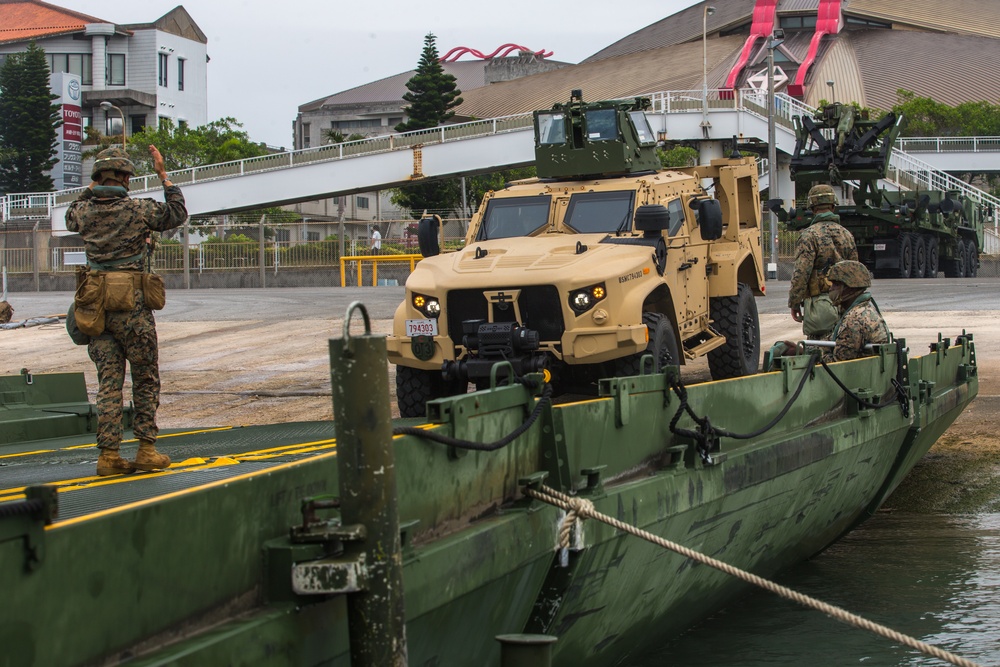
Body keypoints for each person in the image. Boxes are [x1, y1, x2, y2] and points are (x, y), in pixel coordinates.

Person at [66, 145, 188, 476]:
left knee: (109, 382)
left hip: (97, 311)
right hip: (132, 311)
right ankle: (146, 449)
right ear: (124, 178)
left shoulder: (84, 214)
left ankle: (108, 456)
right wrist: (163, 175)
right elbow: (176, 214)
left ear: (97, 179)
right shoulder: (138, 209)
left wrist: (92, 185)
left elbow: (70, 213)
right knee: (145, 377)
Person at [787, 183, 858, 340]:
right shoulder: (847, 235)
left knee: (819, 350)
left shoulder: (809, 236)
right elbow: (855, 272)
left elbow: (801, 273)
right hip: (845, 303)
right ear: (833, 206)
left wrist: (794, 302)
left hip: (819, 306)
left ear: (812, 209)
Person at [822, 260, 889, 362]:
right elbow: (832, 340)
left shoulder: (854, 320)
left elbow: (838, 363)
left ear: (849, 288)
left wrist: (812, 358)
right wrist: (804, 350)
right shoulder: (865, 310)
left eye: (836, 285)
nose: (831, 289)